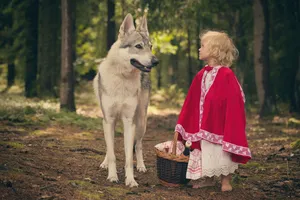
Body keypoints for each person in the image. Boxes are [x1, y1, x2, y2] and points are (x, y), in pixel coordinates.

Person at [175, 30, 251, 192]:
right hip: (204, 122)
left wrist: (229, 118)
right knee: (206, 150)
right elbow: (191, 100)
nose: (199, 49)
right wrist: (184, 122)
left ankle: (225, 181)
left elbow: (235, 98)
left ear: (215, 50)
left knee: (222, 152)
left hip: (220, 122)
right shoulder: (201, 74)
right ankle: (209, 178)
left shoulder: (227, 74)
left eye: (203, 46)